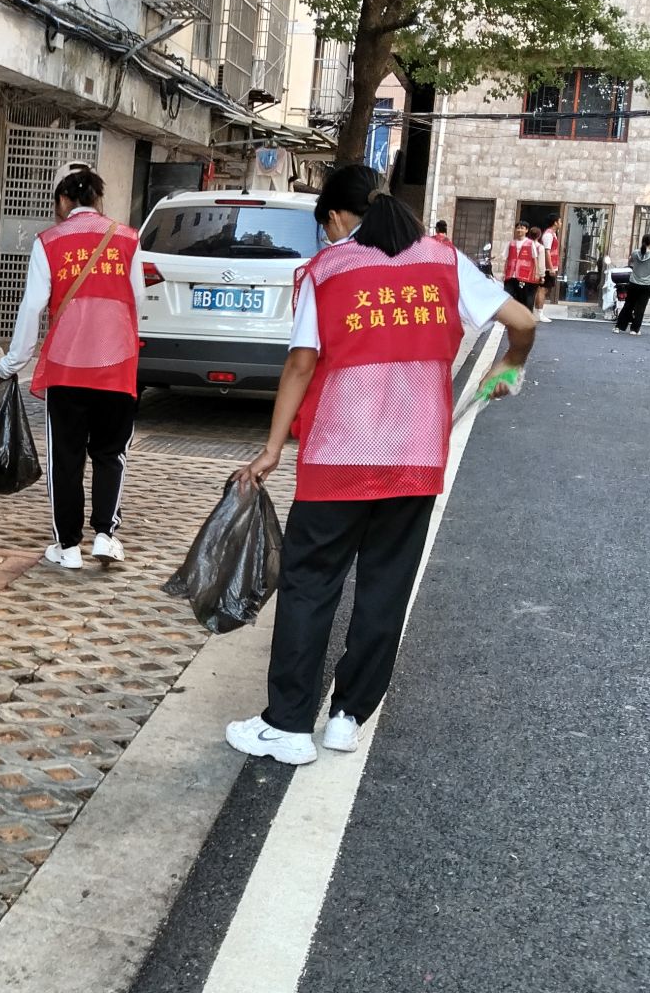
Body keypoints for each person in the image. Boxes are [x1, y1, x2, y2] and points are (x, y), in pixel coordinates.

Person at [225, 166, 537, 766]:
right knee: (384, 587)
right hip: (416, 456)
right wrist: (510, 366)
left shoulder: (328, 270)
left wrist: (271, 449)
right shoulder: (444, 262)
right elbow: (522, 323)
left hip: (337, 456)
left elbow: (301, 365)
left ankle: (288, 726)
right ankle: (347, 718)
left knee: (310, 584)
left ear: (337, 217)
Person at [0, 167, 143, 570]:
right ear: (98, 199)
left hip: (66, 369)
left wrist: (12, 363)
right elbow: (137, 302)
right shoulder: (129, 239)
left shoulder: (49, 242)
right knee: (111, 453)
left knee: (66, 457)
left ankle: (68, 547)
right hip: (117, 366)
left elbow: (32, 308)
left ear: (63, 200)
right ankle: (106, 535)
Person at [616, 233, 650, 334]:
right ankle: (634, 330)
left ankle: (618, 327)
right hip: (647, 285)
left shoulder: (635, 253)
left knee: (628, 305)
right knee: (640, 308)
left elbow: (630, 260)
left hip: (634, 283)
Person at [502, 221, 539, 310]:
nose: (519, 230)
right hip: (511, 276)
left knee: (523, 299)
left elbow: (535, 259)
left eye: (522, 228)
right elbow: (507, 259)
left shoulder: (530, 243)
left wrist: (536, 273)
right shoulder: (511, 243)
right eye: (518, 228)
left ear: (526, 230)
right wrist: (504, 273)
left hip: (524, 276)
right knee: (508, 297)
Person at [536, 215, 561, 322]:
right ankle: (539, 313)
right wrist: (550, 268)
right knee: (542, 289)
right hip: (546, 267)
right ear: (555, 222)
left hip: (551, 266)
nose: (561, 223)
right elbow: (547, 252)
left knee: (545, 289)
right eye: (560, 221)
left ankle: (538, 312)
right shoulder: (548, 235)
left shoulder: (553, 234)